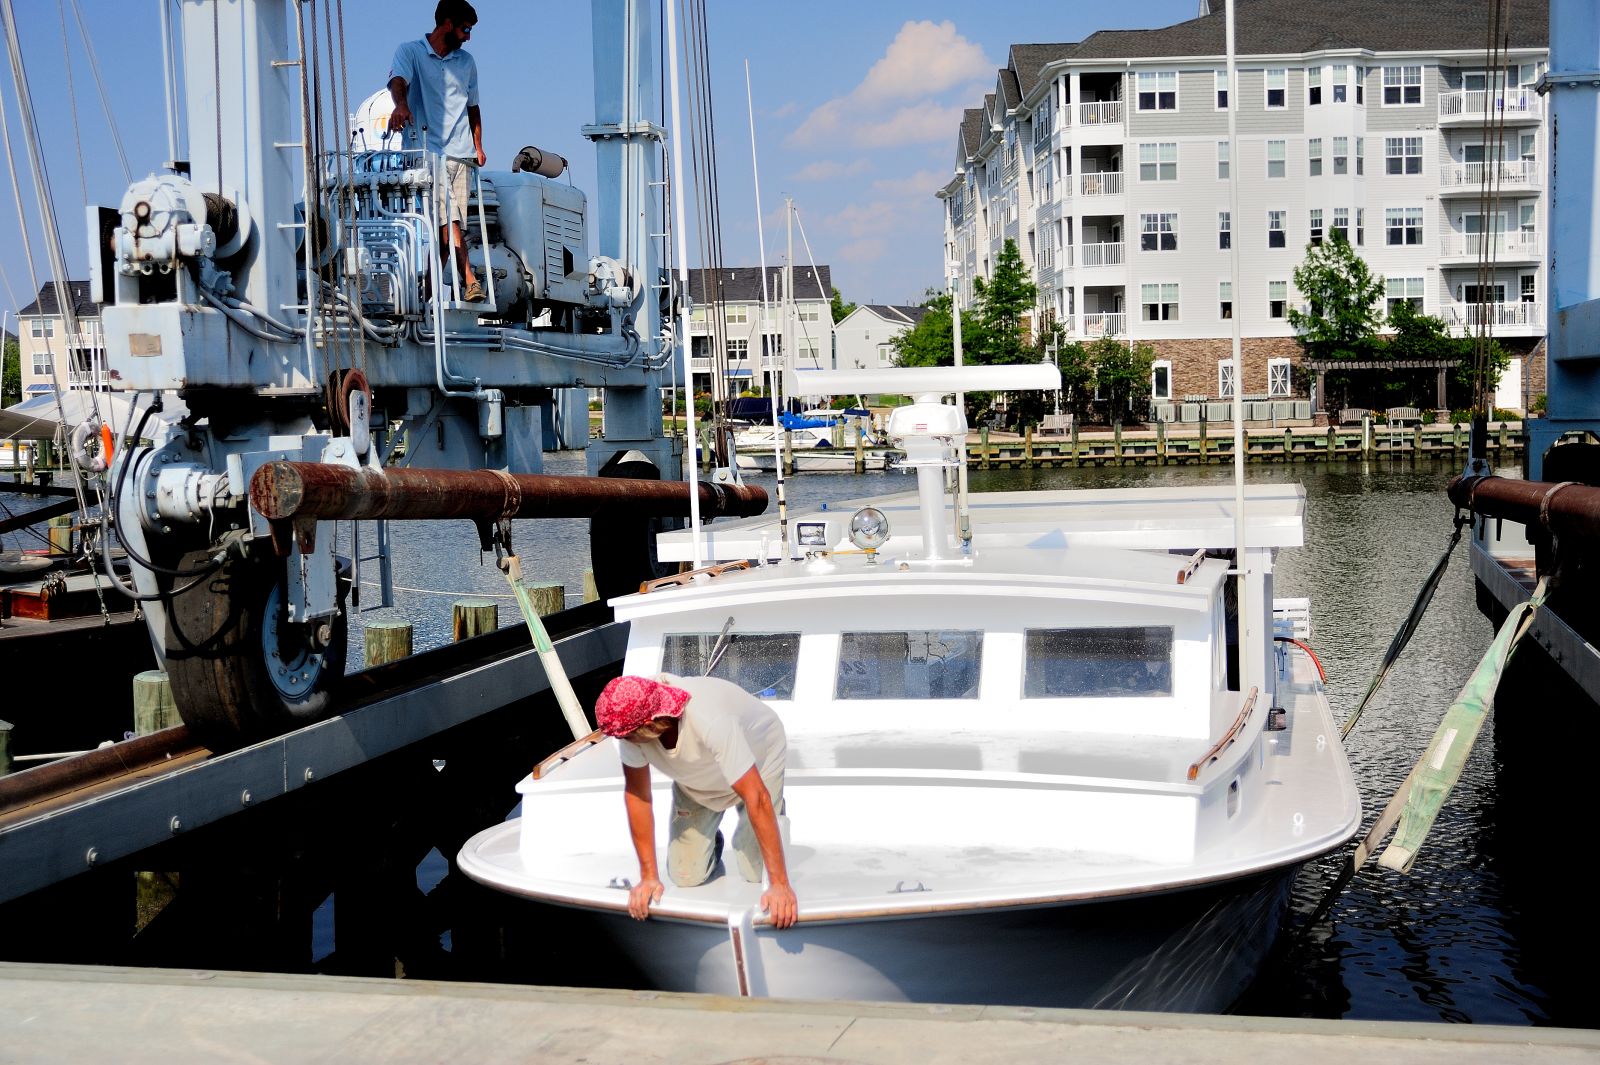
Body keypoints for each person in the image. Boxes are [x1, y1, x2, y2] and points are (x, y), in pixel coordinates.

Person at [595, 673, 798, 929]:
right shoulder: (628, 728)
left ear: (649, 724)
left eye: (625, 736)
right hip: (695, 776)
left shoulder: (710, 719)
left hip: (758, 760)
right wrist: (648, 877)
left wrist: (780, 885)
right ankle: (712, 840)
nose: (622, 740)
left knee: (757, 873)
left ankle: (774, 815)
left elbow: (756, 797)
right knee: (686, 876)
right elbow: (638, 796)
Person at [387, 0, 487, 303]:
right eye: (465, 29)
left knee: (446, 234)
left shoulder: (467, 62)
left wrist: (478, 146)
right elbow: (398, 81)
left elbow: (473, 107)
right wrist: (401, 105)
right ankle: (470, 279)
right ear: (447, 24)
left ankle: (426, 296)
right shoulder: (410, 51)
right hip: (428, 152)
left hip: (461, 154)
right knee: (450, 219)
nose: (468, 37)